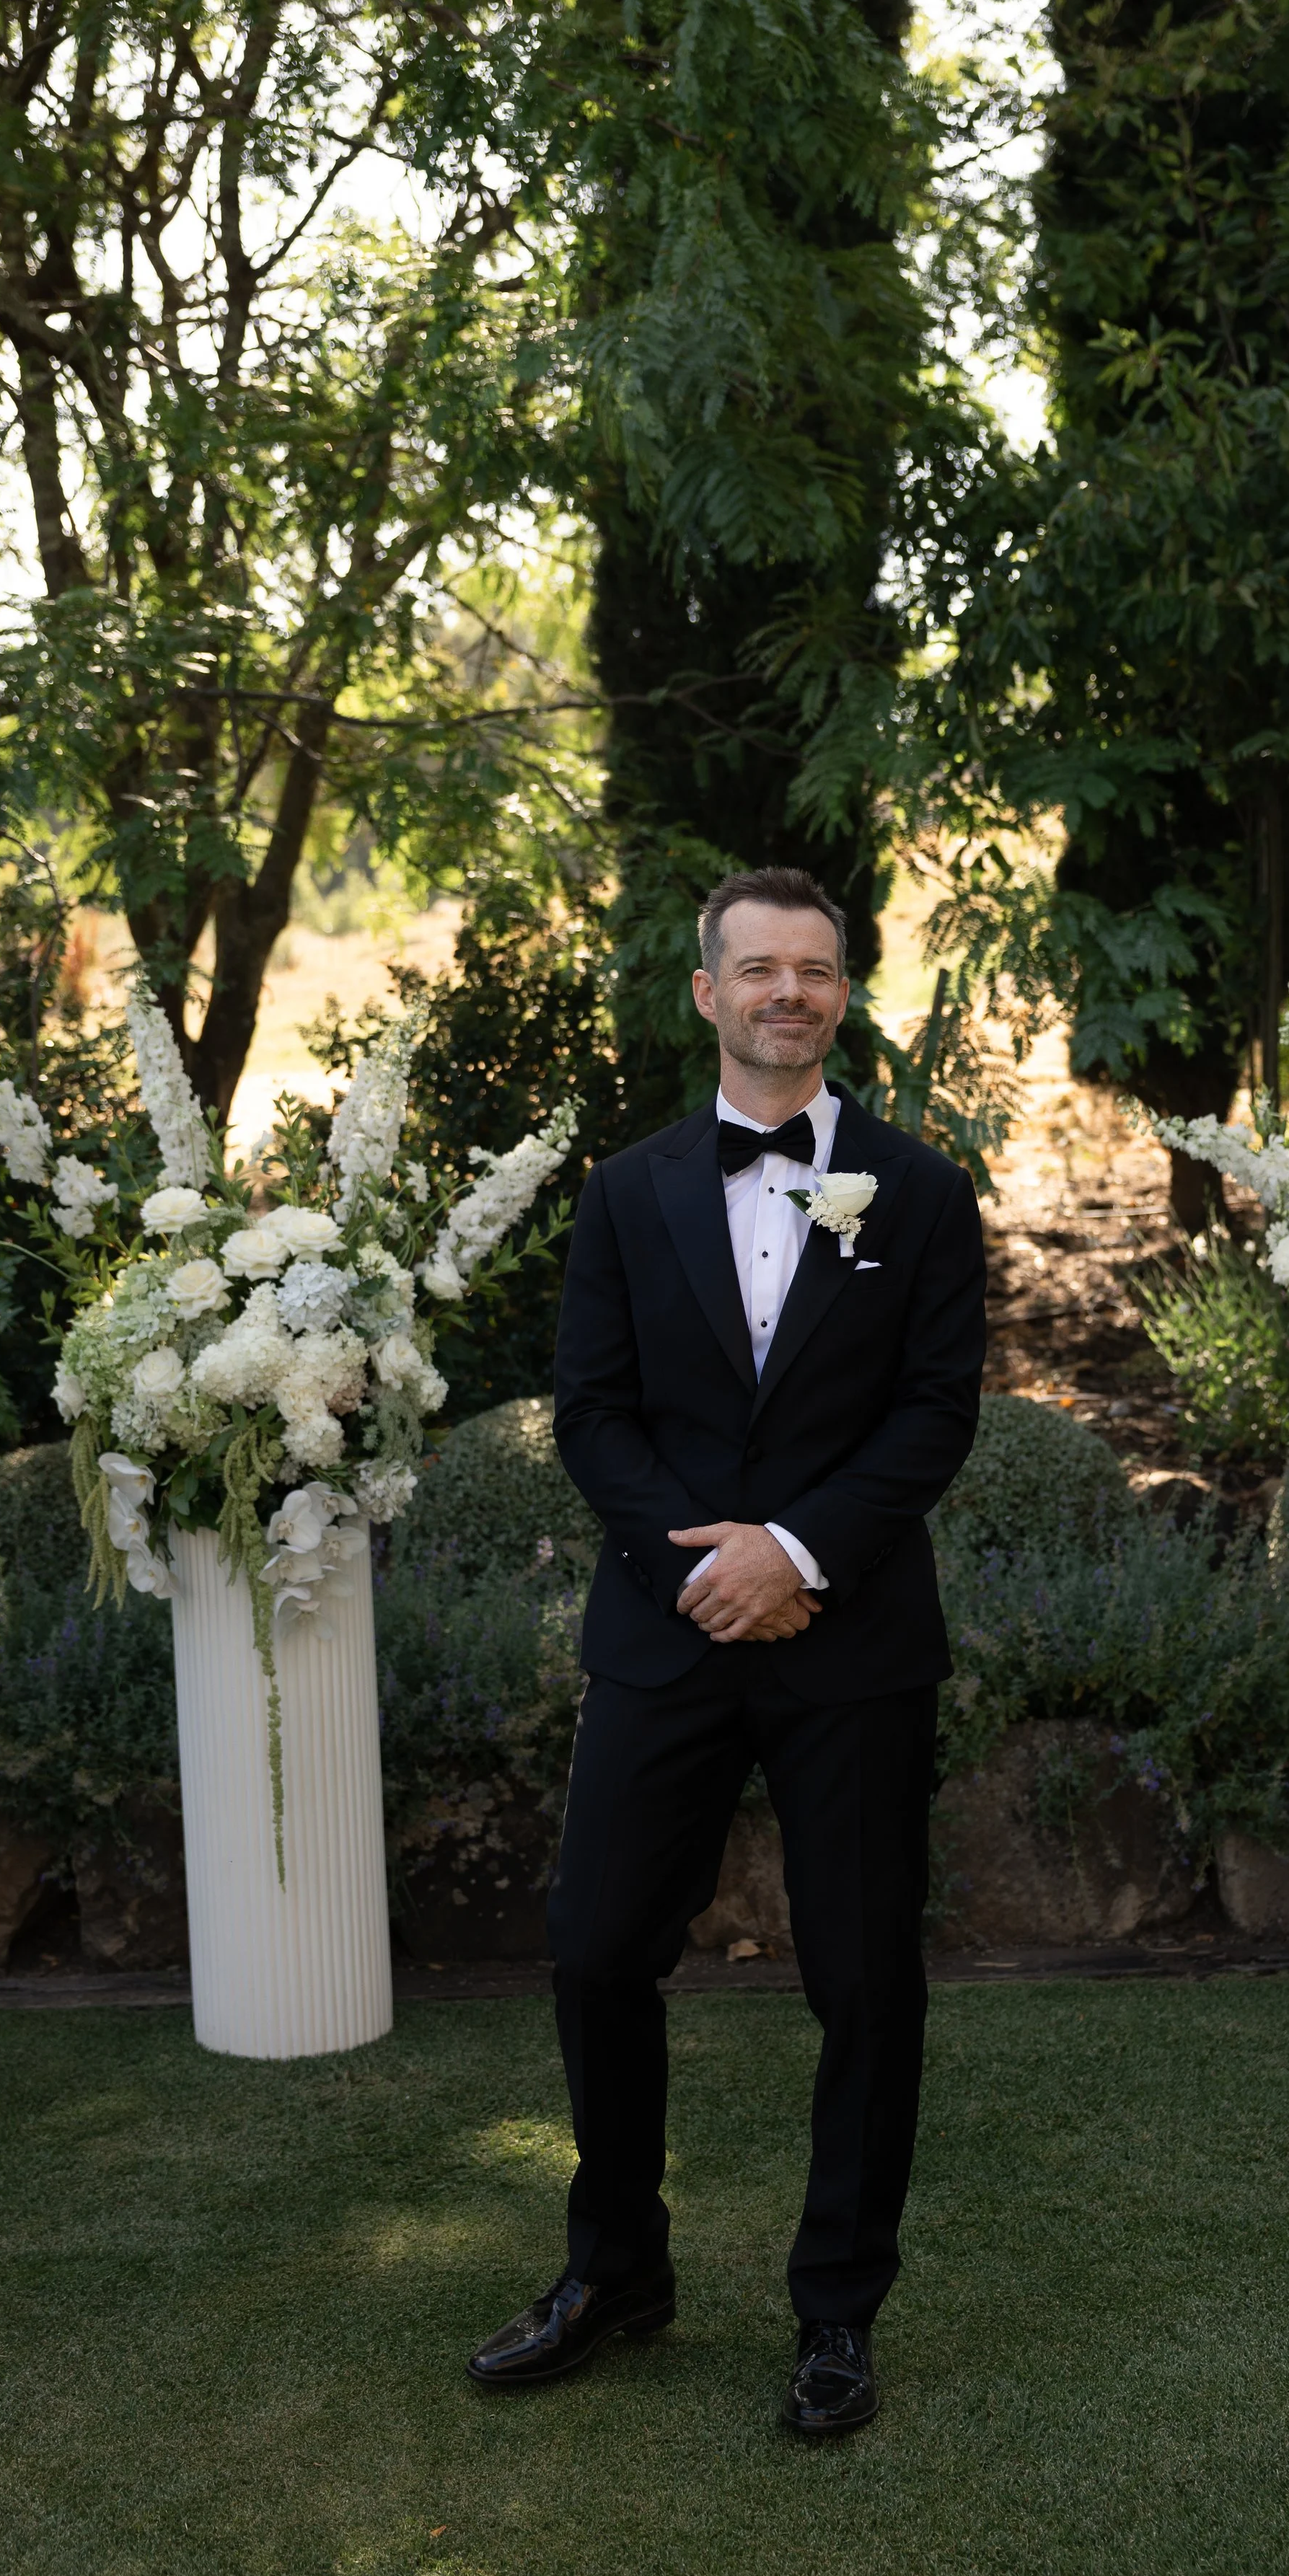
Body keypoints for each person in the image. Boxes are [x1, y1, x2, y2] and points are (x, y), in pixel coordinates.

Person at [465, 865, 987, 2435]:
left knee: (864, 1980)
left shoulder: (920, 1190)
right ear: (704, 992)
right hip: (668, 1632)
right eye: (755, 967)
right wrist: (700, 1570)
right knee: (595, 1947)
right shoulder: (625, 1192)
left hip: (851, 1641)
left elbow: (932, 1414)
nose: (785, 991)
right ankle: (614, 2268)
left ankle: (836, 2311)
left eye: (812, 969)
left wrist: (796, 1554)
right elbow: (593, 1407)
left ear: (841, 994)